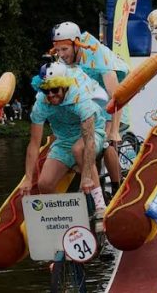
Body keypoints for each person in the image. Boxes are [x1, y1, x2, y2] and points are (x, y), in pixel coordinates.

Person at [19, 61, 108, 216]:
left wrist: (86, 177)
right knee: (44, 184)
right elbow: (34, 144)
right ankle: (64, 216)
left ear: (65, 86)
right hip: (64, 140)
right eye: (47, 91)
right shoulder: (41, 103)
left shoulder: (79, 98)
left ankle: (100, 204)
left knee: (78, 149)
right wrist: (27, 178)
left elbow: (89, 141)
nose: (51, 95)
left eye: (55, 90)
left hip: (91, 134)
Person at [49, 22, 128, 194]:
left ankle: (117, 187)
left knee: (106, 143)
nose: (61, 55)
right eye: (58, 50)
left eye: (64, 50)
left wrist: (114, 129)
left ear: (76, 43)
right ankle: (94, 188)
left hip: (112, 102)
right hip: (90, 103)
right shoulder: (62, 56)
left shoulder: (95, 52)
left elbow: (116, 95)